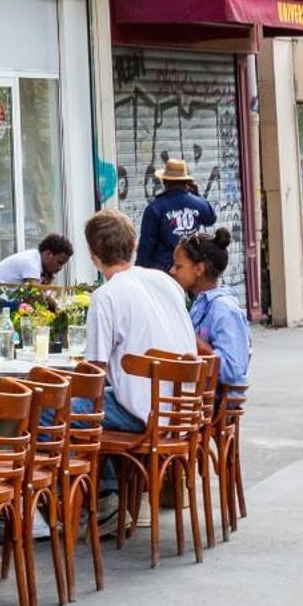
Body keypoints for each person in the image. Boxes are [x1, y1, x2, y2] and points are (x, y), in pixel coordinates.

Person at [83, 208, 196, 433]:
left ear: (92, 254)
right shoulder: (166, 281)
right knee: (102, 400)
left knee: (49, 412)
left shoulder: (106, 296)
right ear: (134, 245)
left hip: (143, 413)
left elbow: (94, 373)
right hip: (182, 411)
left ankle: (92, 469)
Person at [172, 228, 251, 387]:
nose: (172, 271)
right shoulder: (199, 304)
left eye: (178, 266)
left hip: (210, 403)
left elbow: (233, 370)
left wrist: (194, 343)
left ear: (199, 269)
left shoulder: (223, 309)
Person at [137, 157, 216, 272]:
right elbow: (211, 220)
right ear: (186, 182)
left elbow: (146, 246)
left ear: (165, 181)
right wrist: (198, 195)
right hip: (192, 272)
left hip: (164, 273)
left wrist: (139, 272)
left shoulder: (154, 208)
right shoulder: (199, 203)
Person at [0, 232, 73, 285]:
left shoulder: (36, 259)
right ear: (48, 253)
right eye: (59, 262)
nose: (60, 268)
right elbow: (35, 295)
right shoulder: (31, 262)